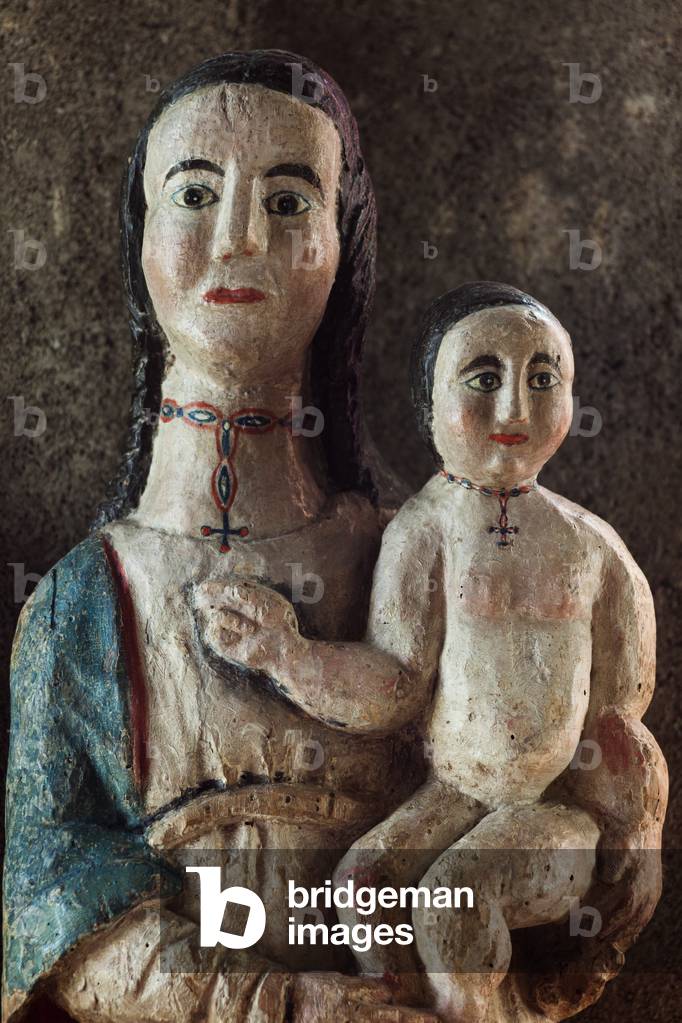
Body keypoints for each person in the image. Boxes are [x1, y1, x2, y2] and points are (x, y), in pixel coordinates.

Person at [2, 50, 436, 1023]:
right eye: (195, 193)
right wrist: (282, 1007)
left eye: (288, 203)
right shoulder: (83, 604)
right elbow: (48, 911)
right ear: (141, 239)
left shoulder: (415, 559)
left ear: (344, 238)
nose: (238, 239)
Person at [199, 282, 667, 1021]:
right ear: (430, 403)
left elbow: (620, 715)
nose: (514, 409)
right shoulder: (425, 531)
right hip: (457, 794)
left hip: (553, 811)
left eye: (542, 380)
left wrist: (639, 833)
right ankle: (418, 1007)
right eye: (484, 378)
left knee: (456, 902)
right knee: (365, 885)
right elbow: (395, 683)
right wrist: (285, 656)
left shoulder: (593, 550)